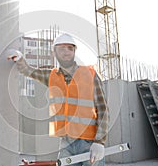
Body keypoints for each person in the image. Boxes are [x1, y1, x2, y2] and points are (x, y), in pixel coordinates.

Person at [7, 33, 108, 166]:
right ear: (54, 52)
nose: (66, 52)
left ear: (74, 51)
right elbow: (28, 71)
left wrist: (99, 142)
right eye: (61, 49)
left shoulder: (90, 75)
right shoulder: (52, 76)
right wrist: (19, 58)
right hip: (66, 144)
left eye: (70, 48)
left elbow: (103, 110)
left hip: (89, 143)